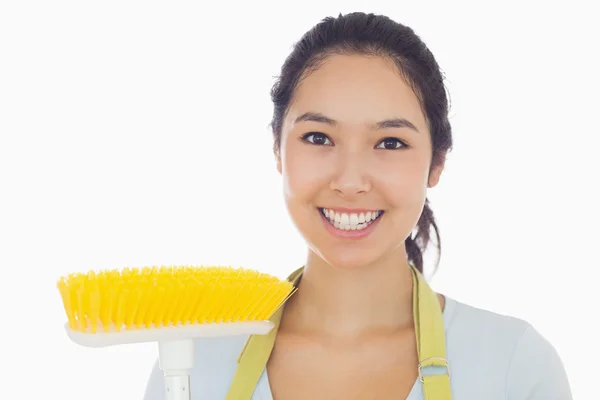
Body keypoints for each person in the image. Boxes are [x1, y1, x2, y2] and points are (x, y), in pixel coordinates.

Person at [144, 12, 572, 399]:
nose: (350, 182)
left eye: (390, 142)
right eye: (318, 137)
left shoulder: (513, 368)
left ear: (435, 164)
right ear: (277, 148)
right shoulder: (191, 363)